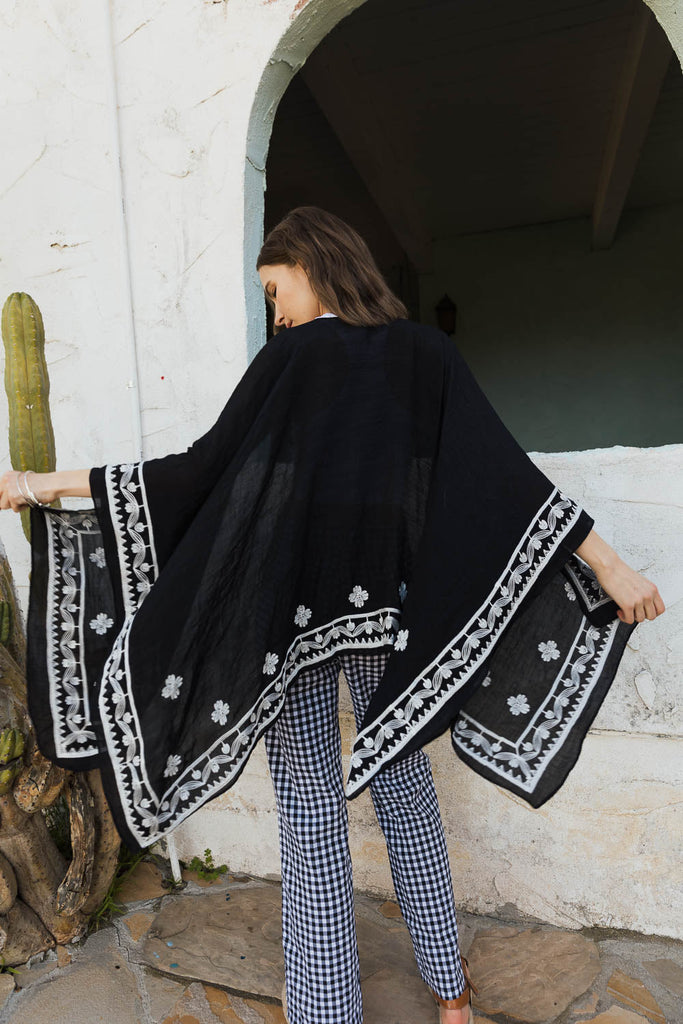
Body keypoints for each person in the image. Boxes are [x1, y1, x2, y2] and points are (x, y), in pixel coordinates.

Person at [0, 206, 665, 1024]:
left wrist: (40, 485)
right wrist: (607, 564)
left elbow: (198, 473)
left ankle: (325, 1009)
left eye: (275, 290)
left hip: (291, 622)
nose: (275, 312)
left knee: (309, 807)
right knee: (405, 787)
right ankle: (450, 994)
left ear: (311, 266)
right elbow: (501, 474)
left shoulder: (292, 360)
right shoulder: (426, 352)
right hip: (396, 619)